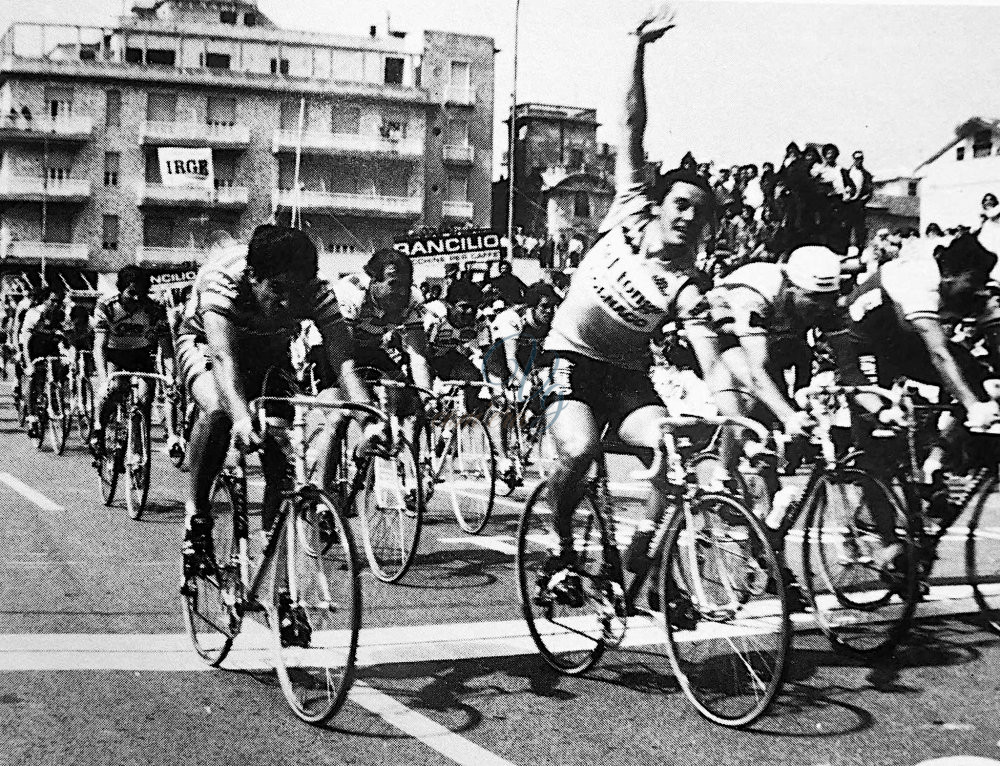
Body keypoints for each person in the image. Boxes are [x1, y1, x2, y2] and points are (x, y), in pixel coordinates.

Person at [539, 6, 732, 609]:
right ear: (663, 202)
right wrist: (638, 51)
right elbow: (631, 125)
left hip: (626, 377)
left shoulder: (687, 283)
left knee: (671, 445)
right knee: (577, 450)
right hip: (571, 356)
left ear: (706, 228)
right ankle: (559, 544)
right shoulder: (628, 207)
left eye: (699, 214)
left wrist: (732, 415)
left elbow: (712, 356)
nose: (686, 217)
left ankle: (642, 552)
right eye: (680, 204)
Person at [176, 225, 364, 583]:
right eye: (277, 290)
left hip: (269, 347)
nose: (289, 304)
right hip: (206, 343)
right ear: (252, 276)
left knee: (280, 443)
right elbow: (222, 357)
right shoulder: (223, 280)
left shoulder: (316, 288)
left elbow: (344, 360)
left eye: (298, 293)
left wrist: (369, 418)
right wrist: (242, 418)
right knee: (219, 411)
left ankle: (271, 551)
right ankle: (198, 513)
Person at [90, 267, 177, 459]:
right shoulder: (107, 306)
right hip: (114, 353)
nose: (137, 299)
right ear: (121, 289)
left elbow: (167, 350)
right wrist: (104, 380)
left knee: (145, 399)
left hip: (140, 354)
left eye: (141, 293)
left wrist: (171, 377)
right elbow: (99, 347)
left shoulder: (154, 309)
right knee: (114, 389)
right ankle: (98, 428)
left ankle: (137, 449)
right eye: (131, 293)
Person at [19, 283, 67, 439]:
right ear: (45, 300)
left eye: (59, 301)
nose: (55, 304)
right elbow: (26, 341)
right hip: (31, 347)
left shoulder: (59, 315)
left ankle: (54, 396)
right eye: (52, 301)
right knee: (32, 378)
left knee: (61, 368)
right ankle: (32, 417)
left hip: (48, 346)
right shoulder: (34, 314)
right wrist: (28, 364)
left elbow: (65, 338)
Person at [844, 150, 874, 249]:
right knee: (846, 226)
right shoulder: (846, 173)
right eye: (857, 158)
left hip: (859, 204)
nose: (859, 161)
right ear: (853, 159)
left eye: (861, 158)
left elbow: (869, 192)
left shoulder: (866, 175)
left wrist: (862, 201)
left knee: (860, 229)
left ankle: (859, 249)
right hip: (847, 204)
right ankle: (844, 248)